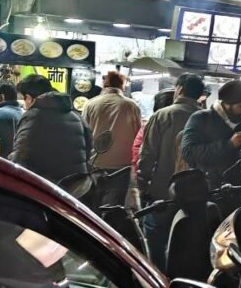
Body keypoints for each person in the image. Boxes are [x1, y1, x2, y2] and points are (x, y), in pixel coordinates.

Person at [137, 74, 205, 268]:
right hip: (196, 193)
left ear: (180, 89)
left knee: (155, 238)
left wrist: (143, 184)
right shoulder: (206, 119)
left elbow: (147, 155)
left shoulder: (162, 115)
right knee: (186, 242)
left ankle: (157, 277)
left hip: (162, 191)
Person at [11, 73, 92, 184]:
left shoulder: (32, 116)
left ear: (28, 98)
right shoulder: (75, 115)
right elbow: (88, 147)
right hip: (77, 184)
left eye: (23, 99)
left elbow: (20, 155)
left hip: (46, 186)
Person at [181, 79, 241, 190]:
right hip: (207, 189)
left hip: (236, 189)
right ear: (228, 104)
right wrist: (229, 144)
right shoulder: (201, 118)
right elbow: (189, 152)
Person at [82, 71, 143, 203]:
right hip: (122, 164)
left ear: (104, 84)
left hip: (95, 162)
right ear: (122, 85)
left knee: (95, 201)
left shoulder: (90, 104)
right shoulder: (131, 105)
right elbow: (139, 134)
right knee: (115, 204)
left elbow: (84, 133)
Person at [131, 89, 175, 169]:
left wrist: (141, 171)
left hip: (154, 172)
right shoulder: (185, 123)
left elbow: (138, 153)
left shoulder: (148, 125)